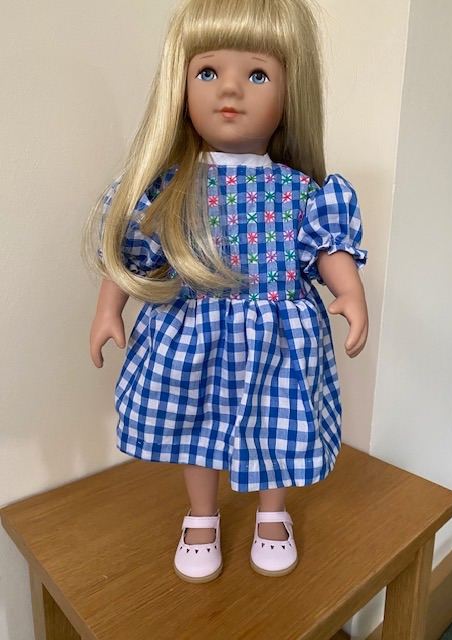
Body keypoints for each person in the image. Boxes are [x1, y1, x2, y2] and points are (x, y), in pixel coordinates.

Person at [82, 0, 369, 583]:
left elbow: (328, 246)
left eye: (258, 74)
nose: (230, 89)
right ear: (180, 87)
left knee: (277, 422)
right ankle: (201, 516)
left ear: (290, 93)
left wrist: (350, 292)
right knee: (197, 427)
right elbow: (129, 252)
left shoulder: (301, 190)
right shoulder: (170, 188)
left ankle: (272, 513)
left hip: (277, 341)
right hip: (193, 334)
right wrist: (109, 307)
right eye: (208, 72)